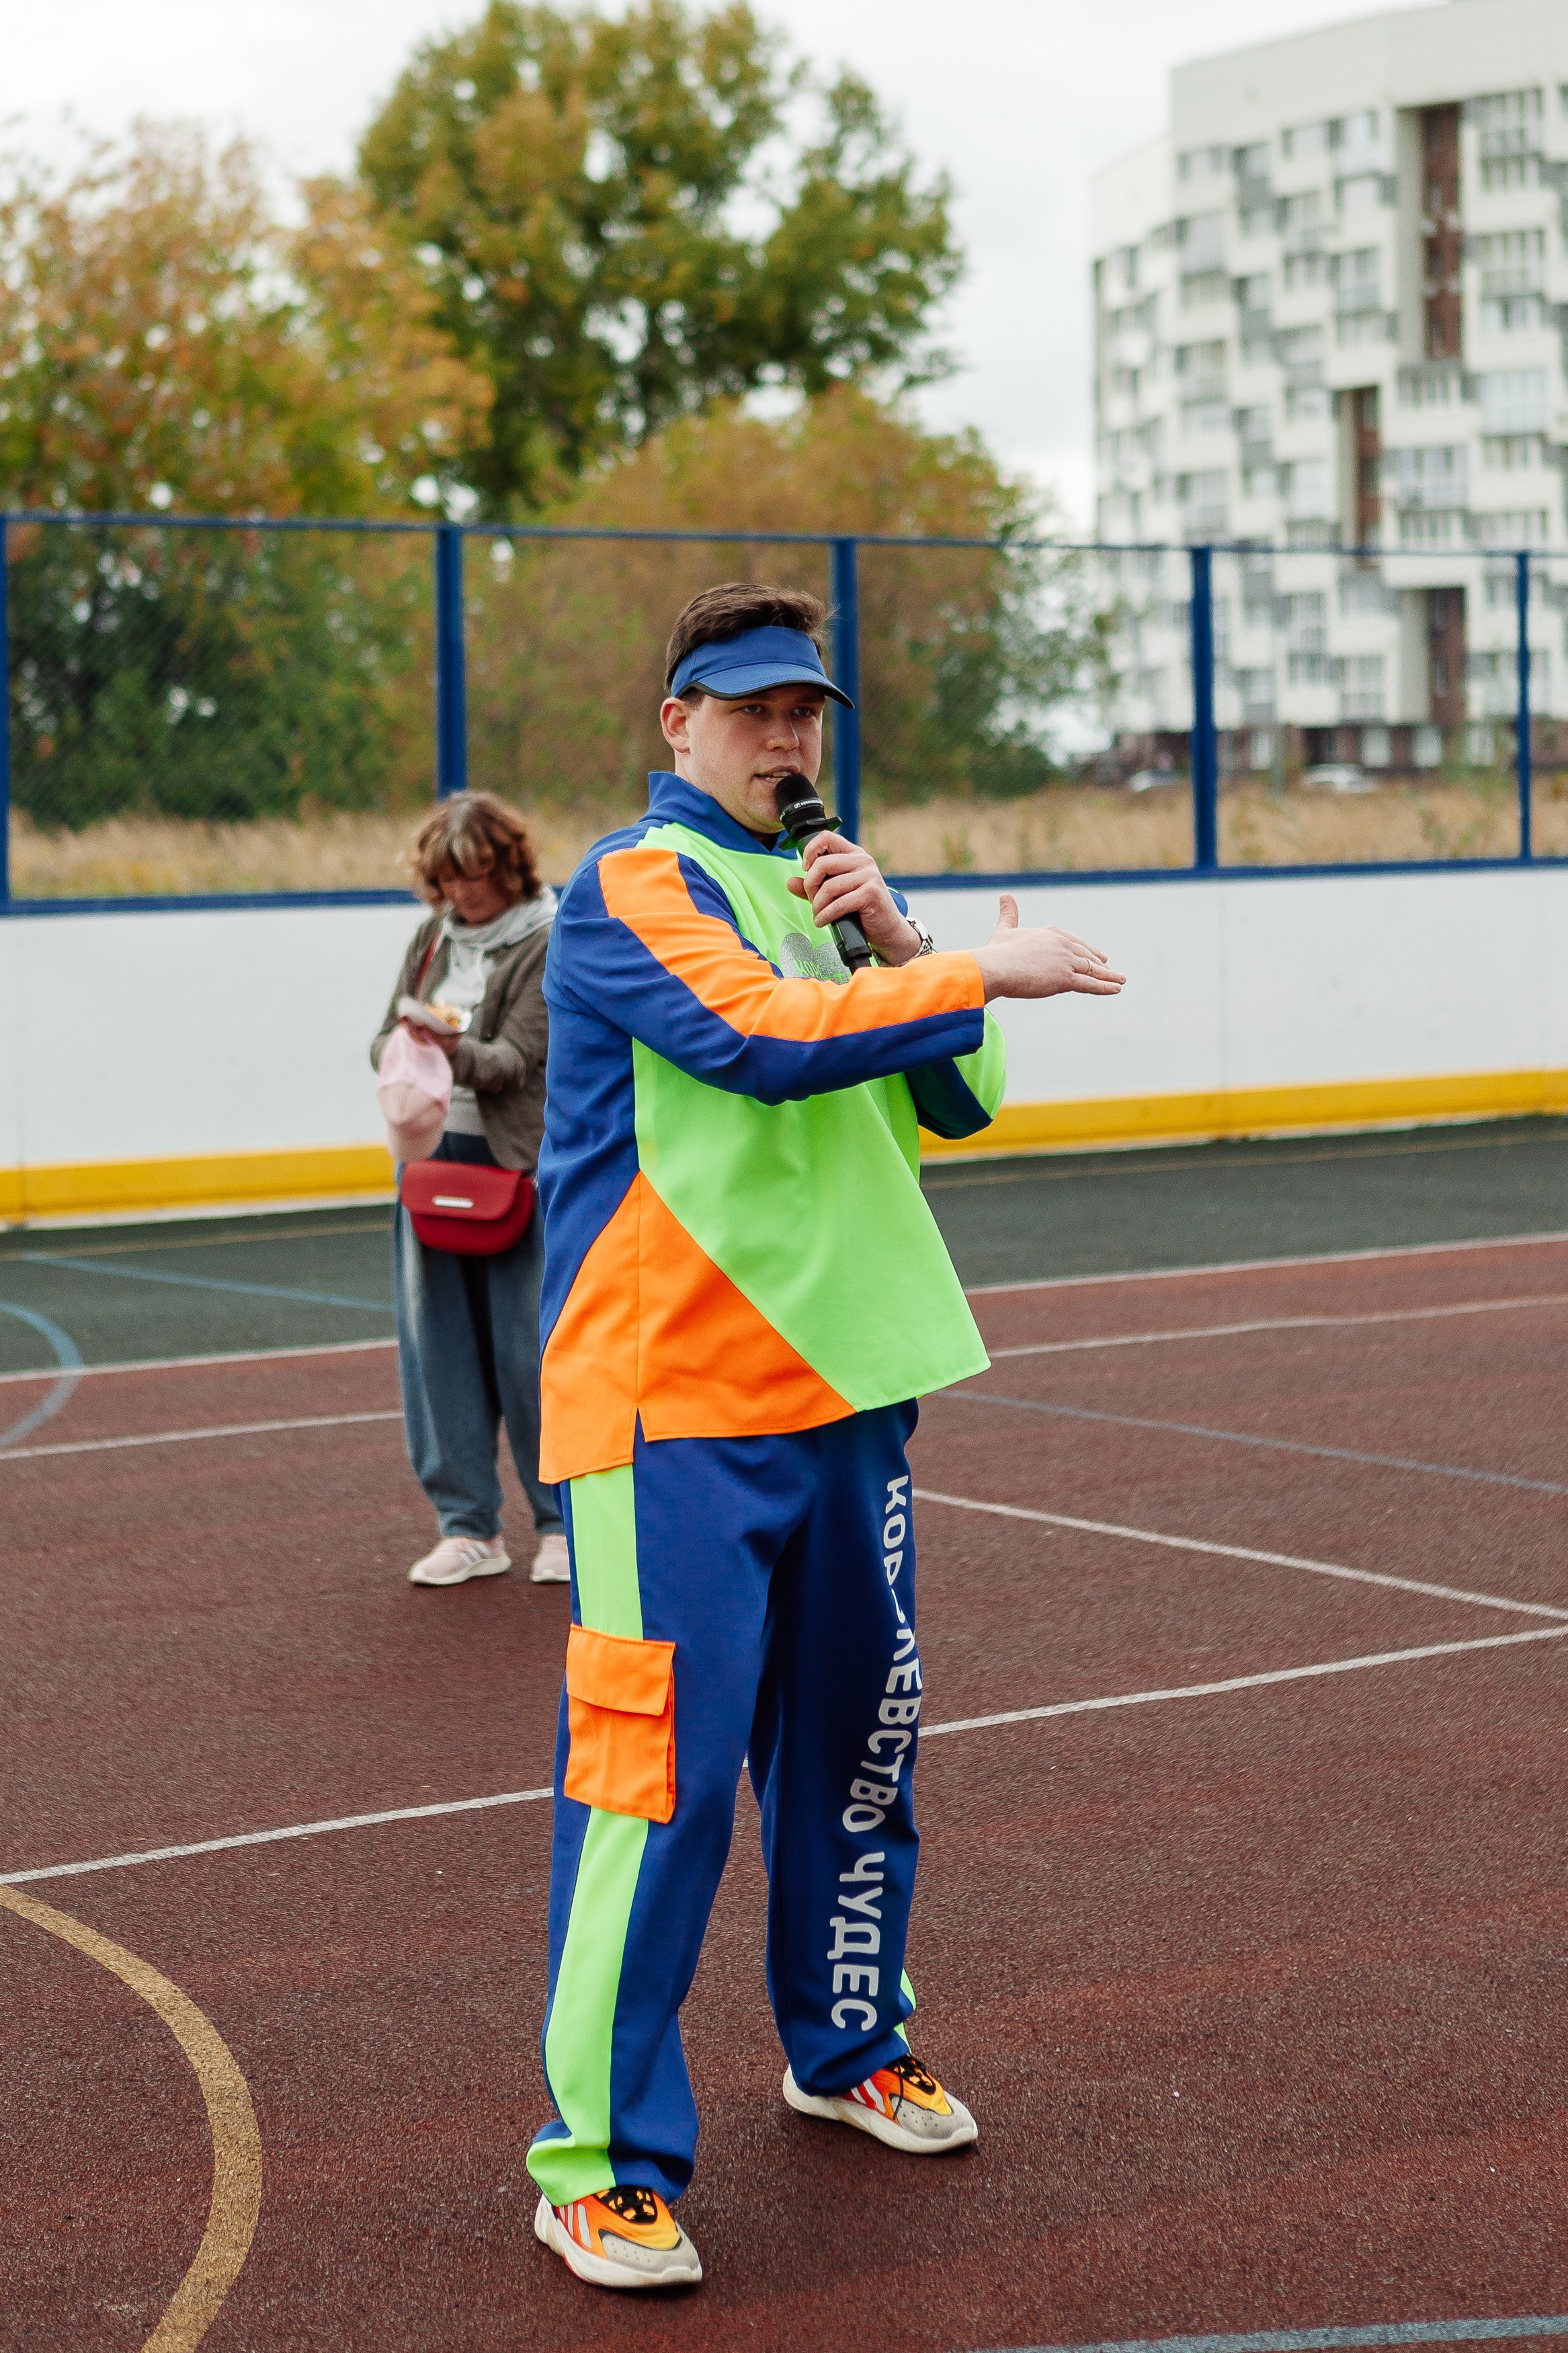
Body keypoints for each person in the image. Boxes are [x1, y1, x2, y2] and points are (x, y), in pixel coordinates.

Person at [526, 584, 1125, 2290]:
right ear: (679, 728)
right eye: (750, 710)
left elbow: (962, 1098)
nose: (785, 742)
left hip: (852, 1389)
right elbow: (753, 1044)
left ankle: (846, 2042)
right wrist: (955, 966)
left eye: (805, 715)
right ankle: (595, 2160)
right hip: (674, 1409)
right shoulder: (626, 885)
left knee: (863, 1749)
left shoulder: (838, 891)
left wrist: (894, 937)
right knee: (659, 1785)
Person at [371, 792, 569, 1587]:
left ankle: (560, 1523)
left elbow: (516, 1060)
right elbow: (381, 1036)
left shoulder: (548, 939)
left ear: (509, 866)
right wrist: (404, 1040)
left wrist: (446, 1046)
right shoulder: (431, 937)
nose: (463, 894)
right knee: (438, 1352)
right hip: (430, 1162)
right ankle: (467, 1527)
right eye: (448, 879)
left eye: (477, 876)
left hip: (517, 1165)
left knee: (532, 1352)